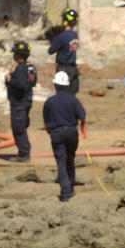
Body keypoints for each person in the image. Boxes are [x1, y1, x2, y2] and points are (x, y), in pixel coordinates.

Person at [42, 71, 86, 202]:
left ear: (55, 85)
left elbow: (46, 120)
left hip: (57, 133)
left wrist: (51, 131)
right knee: (70, 159)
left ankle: (65, 192)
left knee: (61, 162)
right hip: (72, 132)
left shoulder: (50, 102)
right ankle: (71, 185)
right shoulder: (73, 100)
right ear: (67, 85)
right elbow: (82, 116)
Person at [4, 41, 37, 162]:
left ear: (18, 55)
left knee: (18, 128)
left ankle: (24, 154)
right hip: (26, 102)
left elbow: (21, 84)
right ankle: (23, 152)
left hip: (19, 103)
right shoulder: (31, 67)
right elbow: (32, 82)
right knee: (22, 126)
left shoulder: (21, 69)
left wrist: (9, 80)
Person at [48, 8, 80, 95]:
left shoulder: (62, 36)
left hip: (63, 68)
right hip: (73, 68)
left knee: (62, 93)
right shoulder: (75, 35)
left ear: (65, 21)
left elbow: (50, 51)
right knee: (72, 93)